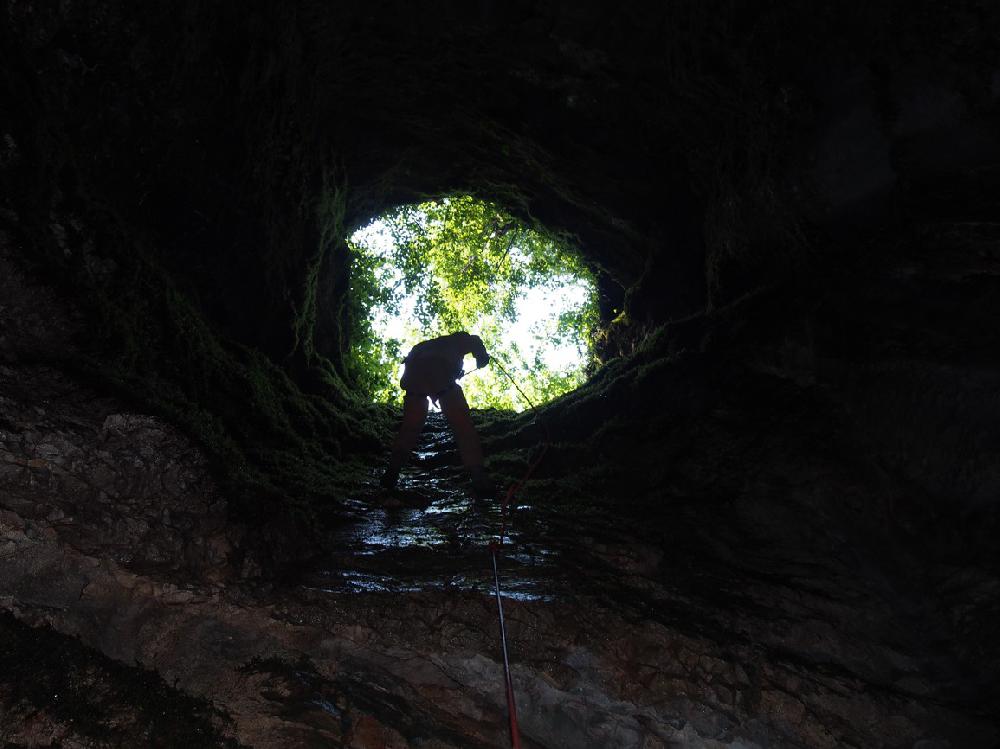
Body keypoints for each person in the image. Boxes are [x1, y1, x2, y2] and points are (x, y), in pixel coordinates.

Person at [380, 331, 495, 497]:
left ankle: (392, 472)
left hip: (414, 374)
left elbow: (415, 362)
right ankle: (479, 477)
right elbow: (474, 341)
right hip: (439, 371)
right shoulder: (457, 340)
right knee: (462, 426)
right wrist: (482, 356)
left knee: (410, 428)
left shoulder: (428, 346)